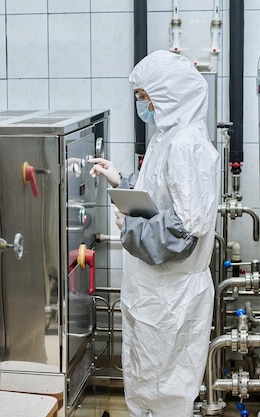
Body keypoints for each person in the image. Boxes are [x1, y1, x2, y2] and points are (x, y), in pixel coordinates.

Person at [88, 50, 220, 417]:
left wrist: (130, 227)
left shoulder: (187, 145)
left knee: (166, 394)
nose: (141, 105)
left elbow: (185, 229)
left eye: (145, 97)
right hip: (153, 292)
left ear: (170, 95)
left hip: (171, 297)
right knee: (148, 385)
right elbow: (162, 200)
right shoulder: (168, 138)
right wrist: (122, 181)